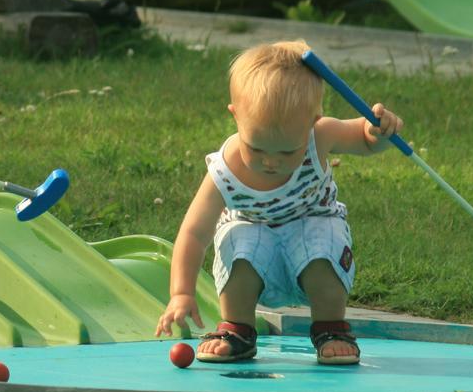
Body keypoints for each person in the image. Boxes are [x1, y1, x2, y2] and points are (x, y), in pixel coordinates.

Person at [155, 40, 402, 365]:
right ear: (236, 116)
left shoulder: (320, 136)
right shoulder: (224, 171)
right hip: (256, 240)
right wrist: (182, 293)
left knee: (323, 245)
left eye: (287, 151)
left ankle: (331, 328)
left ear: (314, 121)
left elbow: (366, 139)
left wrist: (378, 131)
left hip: (312, 227)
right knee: (237, 240)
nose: (270, 162)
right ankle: (238, 329)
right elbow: (194, 233)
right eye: (256, 148)